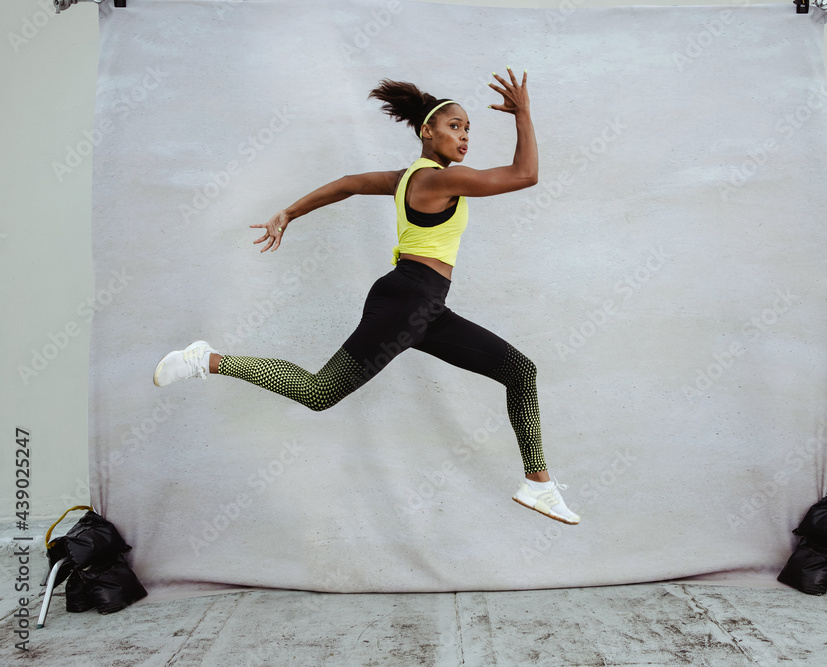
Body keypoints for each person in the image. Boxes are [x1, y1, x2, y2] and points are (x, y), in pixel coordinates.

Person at [153, 67, 579, 525]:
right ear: (426, 131)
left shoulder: (407, 177)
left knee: (519, 370)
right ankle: (207, 360)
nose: (465, 136)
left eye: (469, 129)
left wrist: (289, 213)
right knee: (320, 392)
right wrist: (524, 114)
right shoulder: (435, 179)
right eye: (455, 126)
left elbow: (350, 183)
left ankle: (538, 485)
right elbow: (525, 174)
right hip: (408, 300)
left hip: (424, 307)